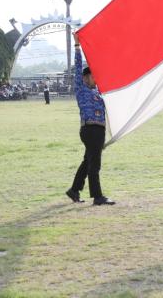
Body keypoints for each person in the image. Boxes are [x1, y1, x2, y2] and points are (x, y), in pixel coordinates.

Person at [66, 33, 115, 206]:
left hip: (98, 130)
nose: (96, 79)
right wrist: (78, 47)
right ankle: (97, 196)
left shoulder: (98, 92)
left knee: (88, 161)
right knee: (95, 164)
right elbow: (78, 65)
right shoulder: (82, 89)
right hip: (90, 129)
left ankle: (74, 190)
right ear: (86, 77)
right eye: (93, 76)